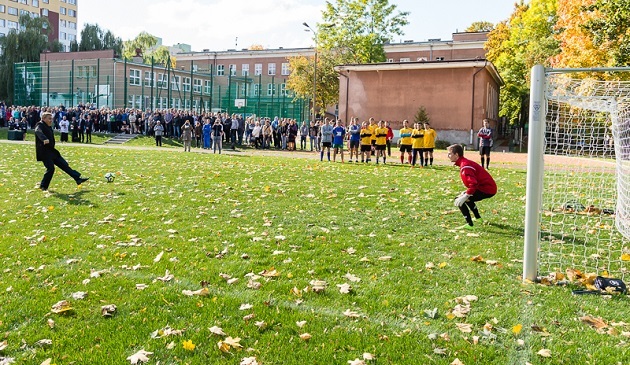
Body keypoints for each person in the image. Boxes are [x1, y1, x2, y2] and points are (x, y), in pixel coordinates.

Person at [34, 112, 89, 191]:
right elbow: (37, 131)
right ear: (43, 118)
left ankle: (78, 179)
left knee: (64, 165)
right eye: (49, 119)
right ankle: (43, 186)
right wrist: (44, 139)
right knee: (50, 169)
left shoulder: (48, 126)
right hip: (45, 153)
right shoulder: (40, 125)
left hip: (51, 151)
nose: (51, 120)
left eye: (51, 118)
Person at [448, 144, 497, 229]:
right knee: (466, 196)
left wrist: (465, 195)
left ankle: (469, 224)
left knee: (459, 199)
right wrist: (466, 194)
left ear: (456, 155)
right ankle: (478, 218)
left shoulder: (465, 166)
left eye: (449, 154)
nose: (448, 156)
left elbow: (473, 184)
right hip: (487, 187)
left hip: (487, 189)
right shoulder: (464, 163)